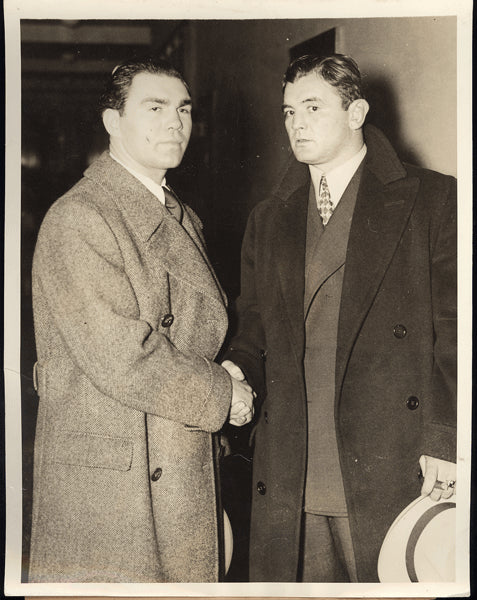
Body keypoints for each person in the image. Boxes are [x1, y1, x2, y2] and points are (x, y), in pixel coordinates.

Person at [224, 53, 457, 582]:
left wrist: (446, 435)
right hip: (295, 458)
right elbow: (255, 322)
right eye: (287, 112)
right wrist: (238, 369)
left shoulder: (433, 199)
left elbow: (457, 331)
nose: (296, 123)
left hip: (392, 456)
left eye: (312, 107)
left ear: (357, 113)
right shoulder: (269, 216)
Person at [28, 56, 253, 583]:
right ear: (113, 122)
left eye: (183, 109)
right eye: (154, 108)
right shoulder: (81, 217)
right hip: (117, 485)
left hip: (173, 461)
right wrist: (224, 394)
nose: (175, 123)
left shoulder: (175, 212)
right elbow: (123, 356)